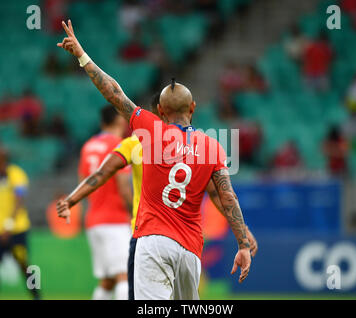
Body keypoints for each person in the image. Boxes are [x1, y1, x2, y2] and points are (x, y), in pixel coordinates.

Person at [56, 20, 252, 300]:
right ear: (193, 108)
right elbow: (227, 197)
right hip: (190, 250)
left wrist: (82, 56)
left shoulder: (150, 131)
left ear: (160, 110)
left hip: (153, 240)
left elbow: (114, 93)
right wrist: (243, 243)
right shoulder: (213, 147)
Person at [77, 105, 132, 300]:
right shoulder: (119, 145)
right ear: (120, 120)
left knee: (107, 280)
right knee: (125, 275)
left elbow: (82, 184)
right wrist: (135, 211)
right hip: (114, 219)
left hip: (93, 220)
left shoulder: (88, 146)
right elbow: (124, 185)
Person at [0, 146, 40, 300]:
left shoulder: (15, 173)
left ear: (0, 158)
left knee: (24, 266)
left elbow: (19, 200)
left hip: (16, 229)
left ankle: (37, 296)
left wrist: (8, 226)